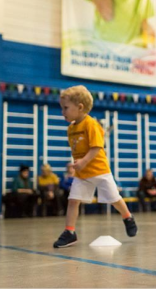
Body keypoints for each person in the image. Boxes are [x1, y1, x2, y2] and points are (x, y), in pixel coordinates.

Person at [53, 85, 137, 248]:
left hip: (99, 171)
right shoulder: (70, 129)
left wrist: (83, 161)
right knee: (73, 201)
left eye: (65, 108)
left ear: (80, 107)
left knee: (114, 199)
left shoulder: (91, 124)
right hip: (82, 174)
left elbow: (97, 147)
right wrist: (78, 164)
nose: (63, 112)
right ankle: (70, 232)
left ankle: (127, 217)